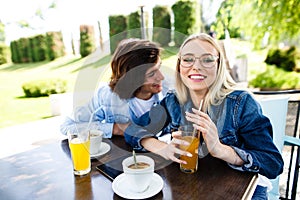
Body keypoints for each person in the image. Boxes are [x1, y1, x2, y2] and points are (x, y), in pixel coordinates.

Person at [124, 33, 283, 199]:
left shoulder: (241, 103)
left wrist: (221, 150)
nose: (196, 67)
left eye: (207, 60)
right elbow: (133, 129)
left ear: (218, 65)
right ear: (179, 66)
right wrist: (162, 148)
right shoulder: (173, 101)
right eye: (188, 59)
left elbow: (272, 163)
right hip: (194, 187)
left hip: (243, 191)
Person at [60, 38, 169, 138]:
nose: (161, 77)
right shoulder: (106, 96)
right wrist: (114, 129)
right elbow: (67, 126)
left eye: (159, 67)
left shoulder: (169, 90)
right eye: (151, 74)